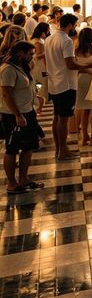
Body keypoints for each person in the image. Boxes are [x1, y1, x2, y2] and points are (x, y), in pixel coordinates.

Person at [0, 41, 43, 193]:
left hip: (27, 111)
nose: (32, 57)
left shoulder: (21, 67)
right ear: (20, 54)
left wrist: (35, 98)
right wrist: (17, 114)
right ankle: (12, 183)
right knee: (12, 148)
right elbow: (6, 93)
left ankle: (24, 178)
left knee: (29, 145)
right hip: (13, 114)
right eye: (30, 54)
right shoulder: (8, 69)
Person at [44, 14, 84, 161]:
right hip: (66, 83)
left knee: (57, 117)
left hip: (54, 82)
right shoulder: (66, 40)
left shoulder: (49, 38)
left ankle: (58, 149)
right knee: (64, 119)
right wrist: (87, 65)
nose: (75, 28)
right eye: (75, 25)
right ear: (70, 25)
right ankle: (63, 150)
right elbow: (70, 64)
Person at [73, 28, 92, 147]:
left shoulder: (76, 50)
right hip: (91, 79)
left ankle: (85, 137)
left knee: (85, 110)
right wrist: (90, 70)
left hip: (80, 80)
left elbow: (75, 67)